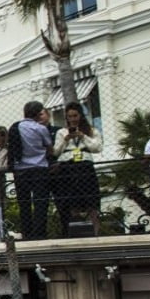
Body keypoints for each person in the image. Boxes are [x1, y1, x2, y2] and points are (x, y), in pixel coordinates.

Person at [50, 101, 103, 235]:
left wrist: (83, 136)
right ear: (66, 118)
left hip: (85, 166)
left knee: (91, 201)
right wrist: (66, 140)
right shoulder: (61, 132)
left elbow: (97, 148)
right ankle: (75, 231)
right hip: (68, 167)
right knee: (72, 201)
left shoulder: (91, 130)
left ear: (80, 116)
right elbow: (56, 152)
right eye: (70, 116)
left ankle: (97, 232)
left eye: (75, 116)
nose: (73, 119)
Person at [11, 101, 54, 240]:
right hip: (39, 168)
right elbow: (49, 148)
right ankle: (40, 233)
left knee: (24, 203)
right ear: (37, 114)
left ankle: (26, 232)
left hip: (21, 170)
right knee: (40, 202)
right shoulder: (40, 129)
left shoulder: (16, 127)